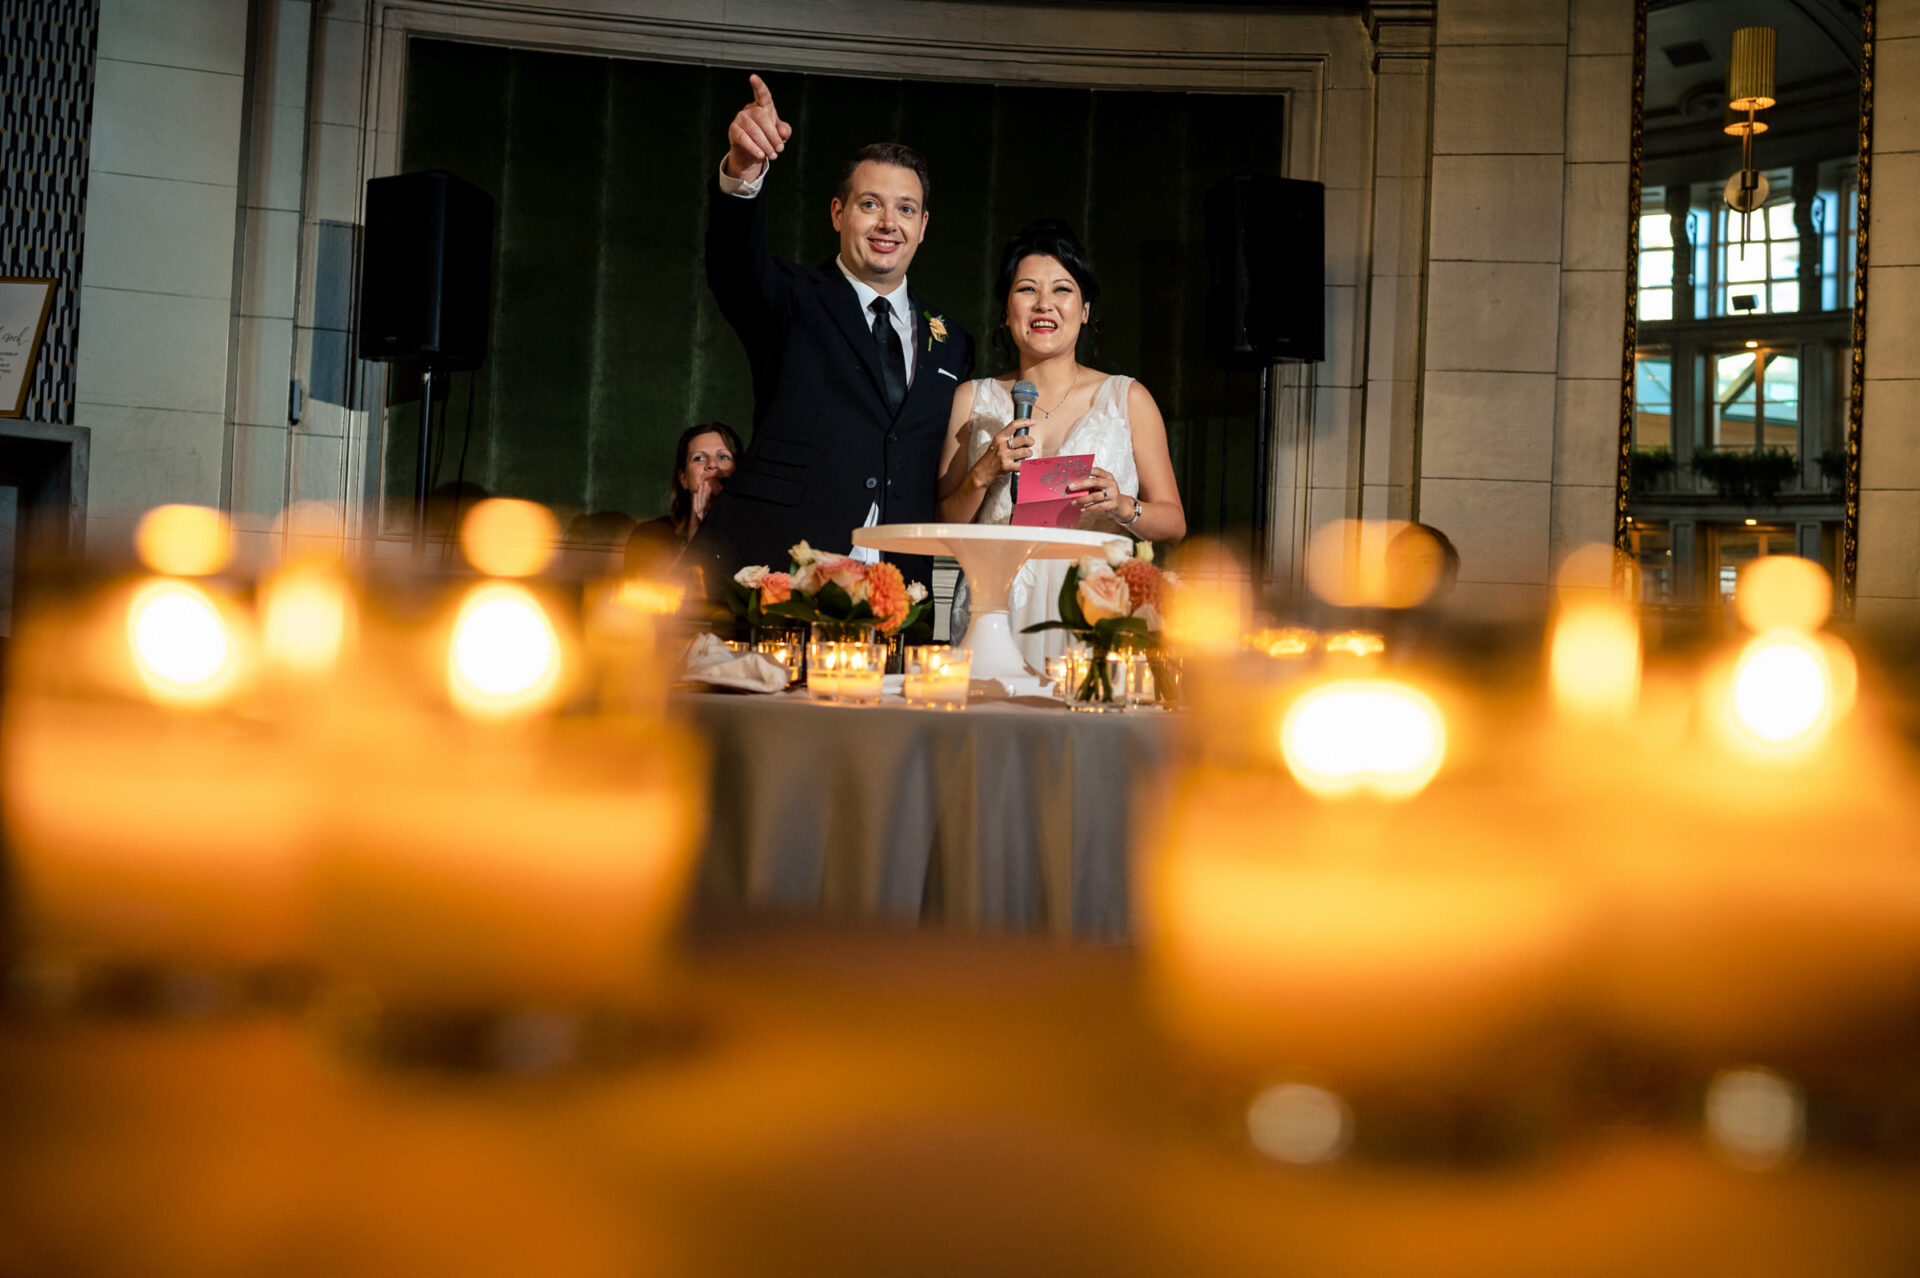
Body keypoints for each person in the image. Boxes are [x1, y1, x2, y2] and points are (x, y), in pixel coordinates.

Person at [684, 74, 976, 592]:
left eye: (906, 209)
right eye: (870, 204)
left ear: (923, 226)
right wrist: (744, 171)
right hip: (781, 571)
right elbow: (733, 266)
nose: (888, 223)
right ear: (838, 213)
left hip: (898, 588)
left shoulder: (952, 342)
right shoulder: (791, 297)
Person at [937, 218, 1185, 668]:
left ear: (1085, 310)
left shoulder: (1127, 399)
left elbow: (1174, 523)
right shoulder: (972, 400)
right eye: (1027, 289)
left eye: (1062, 290)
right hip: (993, 614)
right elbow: (943, 522)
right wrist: (982, 473)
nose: (1044, 304)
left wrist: (1122, 505)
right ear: (1006, 310)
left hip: (1092, 614)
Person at [627, 422, 742, 573]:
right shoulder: (649, 535)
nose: (712, 464)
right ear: (683, 478)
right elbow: (647, 587)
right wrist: (696, 532)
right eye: (699, 458)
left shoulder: (751, 534)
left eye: (724, 457)